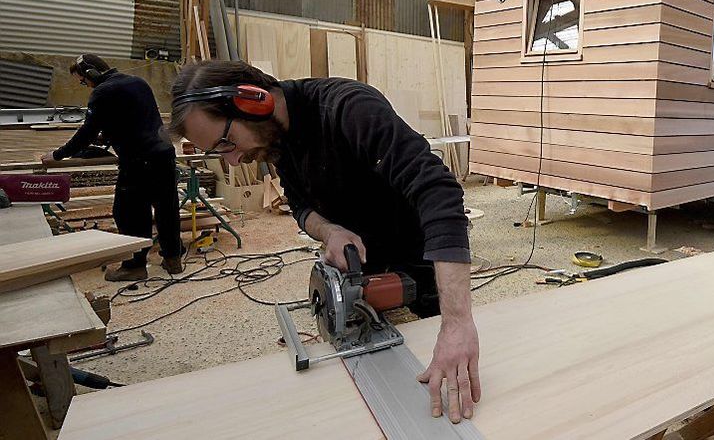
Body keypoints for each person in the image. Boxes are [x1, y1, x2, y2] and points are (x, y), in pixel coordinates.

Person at [168, 61, 480, 423]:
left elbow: (439, 192)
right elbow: (299, 206)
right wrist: (330, 231)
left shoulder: (348, 108)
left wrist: (457, 322)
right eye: (220, 152)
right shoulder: (276, 139)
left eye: (227, 143)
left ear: (254, 101)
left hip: (419, 252)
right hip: (363, 258)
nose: (234, 160)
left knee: (444, 362)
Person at [41, 54, 183, 280]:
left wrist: (58, 155)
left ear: (91, 73)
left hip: (138, 161)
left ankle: (134, 267)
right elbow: (136, 119)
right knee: (167, 208)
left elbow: (85, 133)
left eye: (82, 80)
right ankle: (173, 259)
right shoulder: (137, 82)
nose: (84, 85)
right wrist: (108, 135)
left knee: (129, 213)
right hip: (163, 155)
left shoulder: (102, 92)